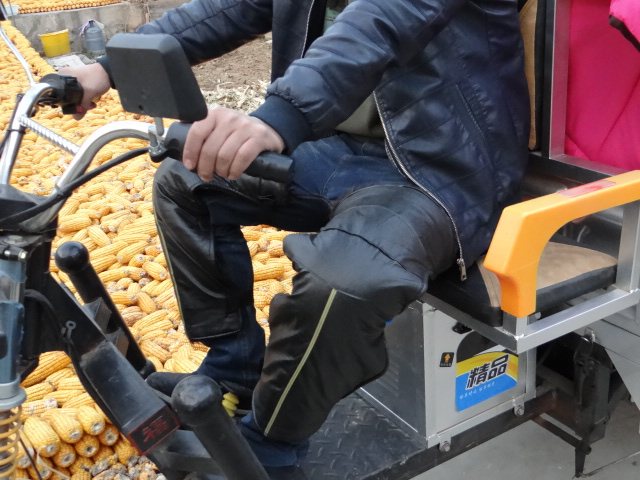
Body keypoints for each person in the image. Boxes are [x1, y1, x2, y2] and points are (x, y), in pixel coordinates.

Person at [64, 0, 529, 478]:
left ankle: (273, 443)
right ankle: (234, 366)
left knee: (344, 279)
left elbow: (384, 17)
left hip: (438, 164)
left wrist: (279, 116)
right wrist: (110, 67)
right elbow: (232, 7)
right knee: (185, 182)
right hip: (335, 147)